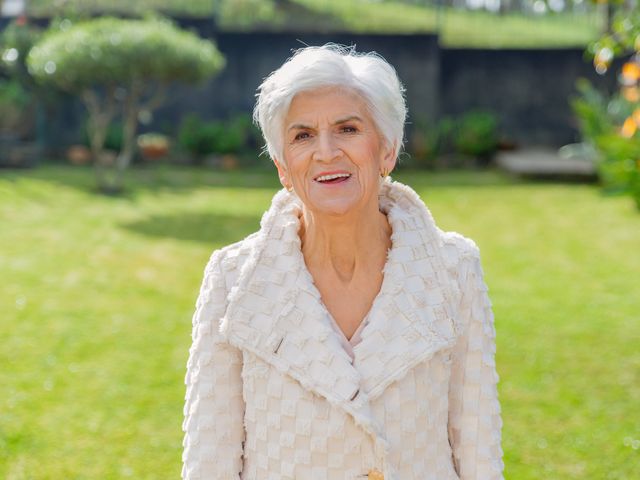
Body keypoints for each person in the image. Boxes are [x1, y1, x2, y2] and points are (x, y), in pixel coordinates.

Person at [181, 44, 504, 480]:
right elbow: (209, 459)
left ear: (387, 151)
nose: (326, 152)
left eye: (348, 129)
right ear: (282, 166)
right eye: (302, 136)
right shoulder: (232, 280)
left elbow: (479, 450)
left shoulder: (454, 270)